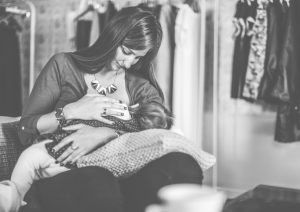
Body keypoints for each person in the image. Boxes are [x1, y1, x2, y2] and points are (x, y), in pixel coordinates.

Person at [12, 6, 203, 212]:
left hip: (123, 172)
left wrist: (106, 134)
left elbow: (155, 133)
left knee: (183, 165)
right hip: (67, 172)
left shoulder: (143, 89)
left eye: (138, 58)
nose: (129, 63)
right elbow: (25, 130)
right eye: (127, 51)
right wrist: (70, 112)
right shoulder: (63, 66)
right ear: (113, 36)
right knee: (98, 180)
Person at [0, 101, 173, 212]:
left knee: (28, 162)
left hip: (59, 148)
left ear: (137, 106)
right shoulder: (134, 133)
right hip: (76, 164)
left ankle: (14, 197)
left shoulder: (118, 108)